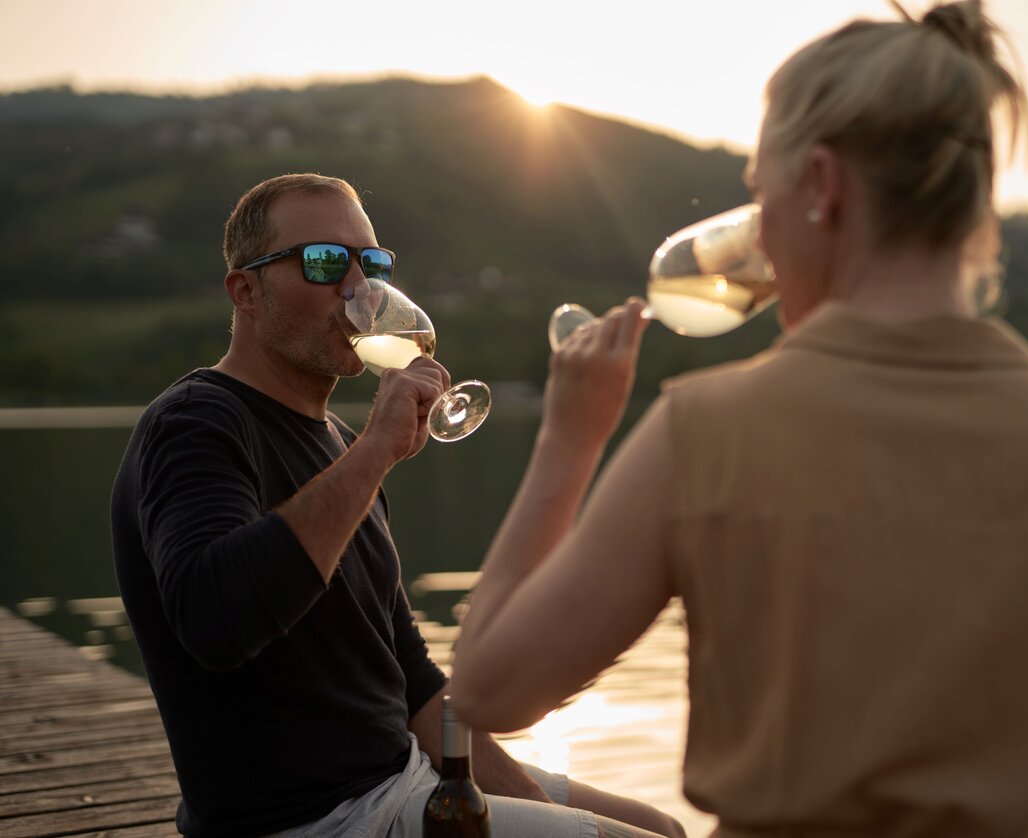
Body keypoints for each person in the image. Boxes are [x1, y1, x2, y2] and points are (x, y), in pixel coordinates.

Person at [447, 2, 1028, 837]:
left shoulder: (706, 432)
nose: (758, 236)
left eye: (758, 194)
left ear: (821, 186)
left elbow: (488, 690)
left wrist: (569, 438)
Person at [111, 173, 686, 838]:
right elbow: (215, 622)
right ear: (246, 291)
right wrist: (377, 450)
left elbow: (410, 677)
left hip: (404, 778)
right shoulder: (197, 422)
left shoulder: (340, 443)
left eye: (373, 264)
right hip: (314, 819)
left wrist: (533, 799)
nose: (358, 287)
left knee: (661, 827)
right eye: (324, 262)